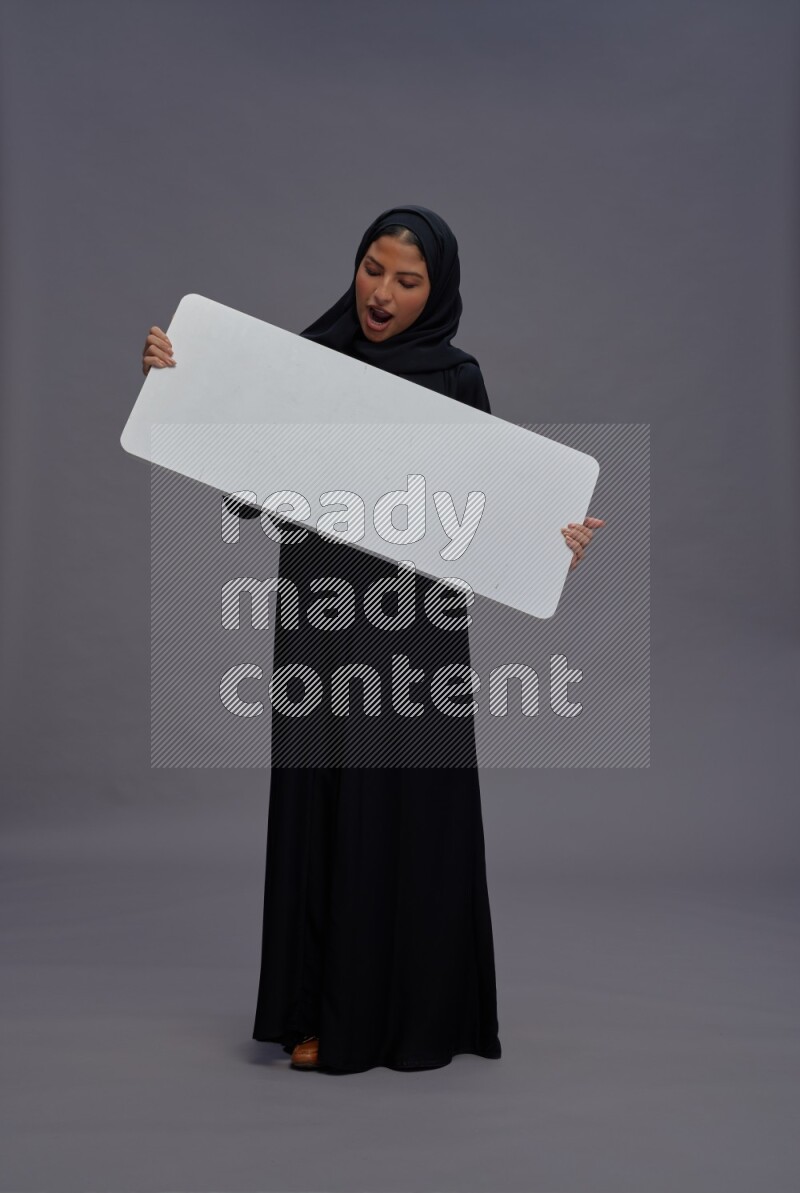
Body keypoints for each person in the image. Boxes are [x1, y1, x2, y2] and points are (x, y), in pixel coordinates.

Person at [141, 204, 604, 1074]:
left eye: (406, 278)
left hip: (415, 630)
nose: (381, 291)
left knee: (404, 804)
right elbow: (241, 485)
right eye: (371, 267)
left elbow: (492, 514)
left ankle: (414, 1012)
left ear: (438, 291)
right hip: (318, 616)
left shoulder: (458, 379)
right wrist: (174, 380)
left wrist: (556, 541)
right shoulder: (308, 362)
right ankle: (320, 1009)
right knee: (324, 796)